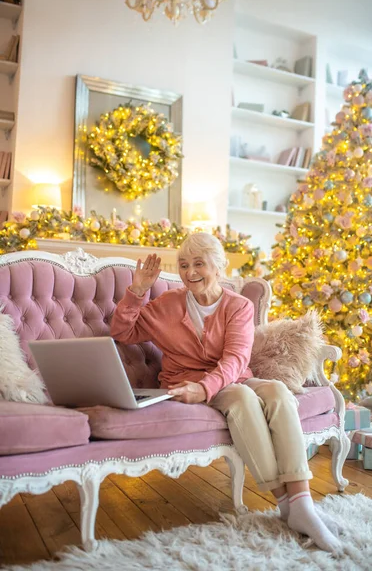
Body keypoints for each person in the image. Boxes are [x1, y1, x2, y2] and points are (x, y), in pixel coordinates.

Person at [111, 232, 342, 554]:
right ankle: (287, 503)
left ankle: (300, 502)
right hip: (185, 382)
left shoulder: (239, 306)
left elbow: (235, 359)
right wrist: (137, 291)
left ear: (218, 267)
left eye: (199, 264)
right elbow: (122, 332)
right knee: (243, 398)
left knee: (277, 391)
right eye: (184, 265)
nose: (190, 272)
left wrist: (205, 387)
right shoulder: (166, 305)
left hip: (225, 379)